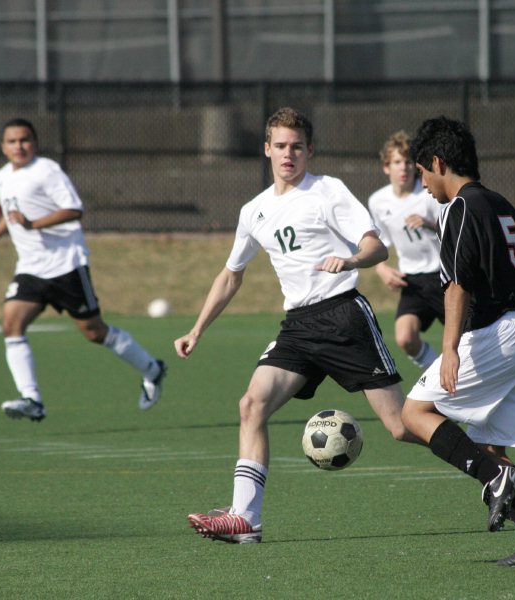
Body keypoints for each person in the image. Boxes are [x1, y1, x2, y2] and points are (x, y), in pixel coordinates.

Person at [174, 107, 420, 544]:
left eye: (298, 147)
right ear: (267, 149)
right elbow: (232, 274)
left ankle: (483, 458)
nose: (289, 155)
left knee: (401, 426)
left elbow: (374, 246)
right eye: (281, 146)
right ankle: (245, 521)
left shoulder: (327, 191)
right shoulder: (254, 211)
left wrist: (352, 259)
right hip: (300, 327)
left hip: (343, 315)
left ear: (310, 151)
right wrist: (197, 329)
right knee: (252, 405)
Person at [402, 116, 515, 567]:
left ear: (438, 162)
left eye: (422, 173)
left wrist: (450, 348)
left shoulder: (458, 208)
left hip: (496, 331)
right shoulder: (504, 205)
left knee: (412, 414)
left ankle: (495, 481)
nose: (424, 184)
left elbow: (457, 285)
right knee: (492, 451)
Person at [0, 118, 167, 422]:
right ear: (3, 147)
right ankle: (32, 399)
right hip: (31, 268)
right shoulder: (2, 176)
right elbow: (11, 214)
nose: (19, 146)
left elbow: (74, 209)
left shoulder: (46, 170)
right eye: (12, 141)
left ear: (34, 143)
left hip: (66, 265)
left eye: (24, 140)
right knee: (11, 325)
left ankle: (152, 369)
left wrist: (33, 224)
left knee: (94, 332)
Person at [368, 130, 444, 370]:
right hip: (413, 282)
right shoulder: (378, 202)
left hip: (444, 277)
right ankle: (435, 374)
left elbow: (456, 232)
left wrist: (430, 225)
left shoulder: (430, 195)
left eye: (409, 162)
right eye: (397, 162)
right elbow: (381, 243)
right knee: (405, 338)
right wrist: (382, 270)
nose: (404, 168)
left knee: (467, 339)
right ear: (386, 167)